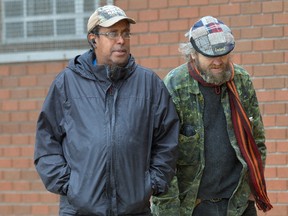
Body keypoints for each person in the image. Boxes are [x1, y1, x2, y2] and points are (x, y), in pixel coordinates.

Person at [34, 5, 179, 216]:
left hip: (134, 210)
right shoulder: (67, 83)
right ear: (93, 39)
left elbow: (167, 140)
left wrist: (152, 183)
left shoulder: (149, 84)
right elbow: (46, 142)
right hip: (79, 210)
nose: (121, 40)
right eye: (112, 33)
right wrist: (69, 185)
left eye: (125, 33)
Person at [151, 16, 273, 216]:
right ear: (193, 54)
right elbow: (163, 156)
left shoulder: (240, 80)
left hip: (237, 204)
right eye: (210, 55)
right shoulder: (174, 85)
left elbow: (257, 139)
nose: (218, 62)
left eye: (223, 54)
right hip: (192, 206)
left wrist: (252, 187)